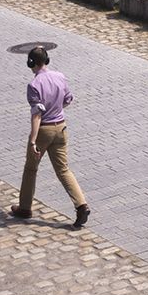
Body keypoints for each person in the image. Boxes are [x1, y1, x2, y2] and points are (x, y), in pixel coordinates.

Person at [6, 47, 90, 229]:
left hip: (44, 130)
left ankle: (25, 208)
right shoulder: (60, 76)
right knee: (63, 170)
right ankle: (81, 205)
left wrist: (33, 141)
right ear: (47, 60)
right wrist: (56, 109)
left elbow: (36, 115)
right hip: (61, 128)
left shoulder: (34, 85)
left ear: (31, 63)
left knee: (30, 169)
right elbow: (68, 99)